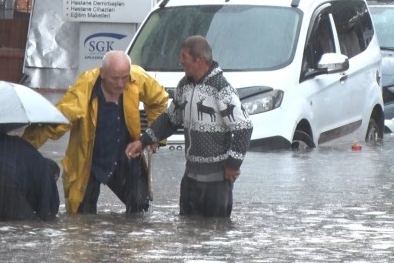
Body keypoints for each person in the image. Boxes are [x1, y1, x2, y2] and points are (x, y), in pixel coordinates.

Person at [21, 50, 169, 215]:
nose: (121, 84)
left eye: (125, 78)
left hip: (125, 158)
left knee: (140, 210)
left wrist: (153, 136)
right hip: (90, 162)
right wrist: (23, 147)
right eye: (115, 78)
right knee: (82, 218)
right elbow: (55, 121)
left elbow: (160, 100)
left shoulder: (137, 77)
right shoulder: (84, 88)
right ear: (102, 73)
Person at [125, 35, 253, 218]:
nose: (180, 61)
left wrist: (233, 165)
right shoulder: (184, 86)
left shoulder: (222, 89)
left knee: (216, 237)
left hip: (217, 183)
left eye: (183, 57)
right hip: (190, 180)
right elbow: (170, 119)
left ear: (198, 60)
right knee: (187, 235)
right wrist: (144, 141)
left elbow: (244, 128)